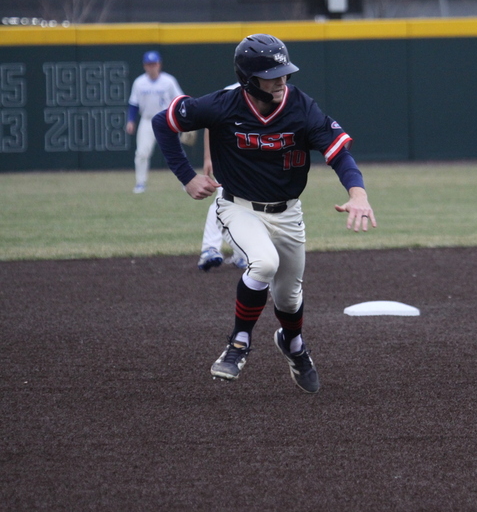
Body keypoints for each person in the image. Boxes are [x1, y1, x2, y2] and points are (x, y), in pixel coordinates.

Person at [151, 34, 377, 394]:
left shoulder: (302, 107)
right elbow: (163, 122)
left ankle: (293, 344)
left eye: (284, 72)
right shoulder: (223, 105)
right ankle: (238, 343)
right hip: (238, 207)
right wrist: (187, 178)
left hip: (287, 213)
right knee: (264, 264)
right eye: (272, 75)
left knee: (289, 298)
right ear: (248, 79)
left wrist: (358, 193)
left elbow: (338, 154)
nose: (281, 80)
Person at [126, 50, 184, 194]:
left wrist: (182, 119)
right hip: (147, 120)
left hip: (166, 120)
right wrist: (131, 120)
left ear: (159, 64)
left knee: (176, 153)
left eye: (154, 64)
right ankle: (140, 183)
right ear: (145, 66)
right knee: (141, 153)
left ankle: (186, 181)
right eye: (149, 64)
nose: (152, 67)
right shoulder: (139, 82)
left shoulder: (168, 81)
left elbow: (179, 100)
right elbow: (133, 104)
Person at [198, 126, 247, 271]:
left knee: (247, 201)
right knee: (224, 196)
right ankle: (210, 248)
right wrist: (208, 157)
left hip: (251, 157)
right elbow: (210, 124)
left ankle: (241, 253)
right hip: (227, 153)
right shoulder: (228, 103)